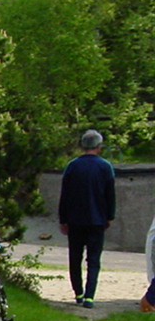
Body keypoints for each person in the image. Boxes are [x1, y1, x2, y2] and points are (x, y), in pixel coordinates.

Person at [58, 129, 116, 309]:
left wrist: (63, 218)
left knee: (74, 258)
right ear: (99, 146)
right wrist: (109, 216)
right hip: (97, 219)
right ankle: (90, 296)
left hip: (75, 220)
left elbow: (65, 195)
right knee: (94, 259)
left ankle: (78, 293)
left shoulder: (72, 166)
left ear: (82, 146)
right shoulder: (105, 167)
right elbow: (110, 195)